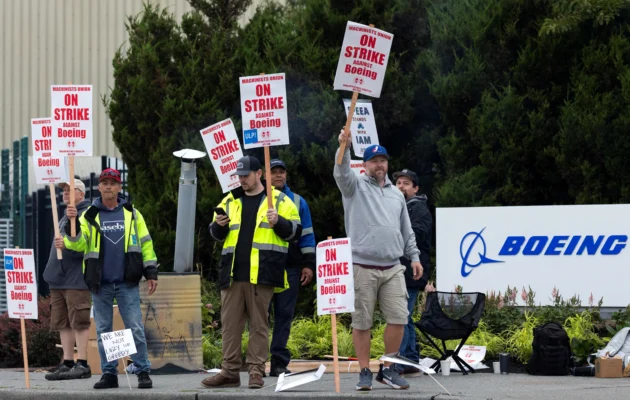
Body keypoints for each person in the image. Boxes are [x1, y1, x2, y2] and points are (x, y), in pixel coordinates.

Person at [201, 156, 301, 389]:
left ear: (259, 174)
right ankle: (229, 372)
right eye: (239, 175)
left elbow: (295, 233)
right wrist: (218, 225)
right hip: (233, 274)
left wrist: (279, 222)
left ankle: (256, 371)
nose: (242, 179)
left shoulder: (279, 200)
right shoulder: (229, 200)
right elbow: (215, 234)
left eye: (246, 175)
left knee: (259, 325)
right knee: (230, 325)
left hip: (263, 273)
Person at [334, 133, 423, 391]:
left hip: (393, 266)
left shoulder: (397, 194)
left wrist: (414, 257)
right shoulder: (353, 186)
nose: (379, 165)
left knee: (399, 318)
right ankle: (364, 371)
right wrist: (344, 147)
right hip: (362, 265)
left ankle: (387, 369)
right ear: (364, 165)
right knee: (362, 321)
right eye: (373, 160)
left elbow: (406, 230)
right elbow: (340, 170)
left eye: (382, 160)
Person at [59, 168, 158, 390]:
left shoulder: (132, 213)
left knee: (135, 328)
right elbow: (77, 245)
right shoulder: (90, 215)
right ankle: (109, 373)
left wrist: (151, 272)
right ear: (100, 187)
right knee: (104, 331)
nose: (108, 186)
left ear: (119, 187)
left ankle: (143, 371)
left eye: (113, 183)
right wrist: (71, 227)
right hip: (100, 283)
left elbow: (146, 243)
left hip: (127, 282)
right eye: (104, 183)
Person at [268, 158, 316, 376]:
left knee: (284, 315)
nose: (278, 175)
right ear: (264, 175)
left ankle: (278, 363)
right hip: (263, 267)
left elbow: (307, 234)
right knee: (259, 317)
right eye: (274, 172)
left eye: (281, 172)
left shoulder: (298, 201)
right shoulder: (258, 198)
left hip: (290, 267)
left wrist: (308, 264)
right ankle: (257, 363)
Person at [43, 179, 92, 380]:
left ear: (81, 194)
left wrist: (69, 240)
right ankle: (68, 361)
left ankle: (83, 363)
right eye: (63, 190)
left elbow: (86, 242)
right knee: (62, 322)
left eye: (70, 190)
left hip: (76, 279)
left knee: (79, 321)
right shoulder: (64, 216)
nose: (65, 193)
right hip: (59, 279)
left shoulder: (86, 215)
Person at [392, 169, 433, 374]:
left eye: (406, 183)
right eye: (398, 183)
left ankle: (404, 361)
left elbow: (415, 235)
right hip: (401, 270)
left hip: (412, 272)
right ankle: (410, 358)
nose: (401, 187)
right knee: (404, 316)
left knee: (402, 316)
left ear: (415, 188)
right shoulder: (398, 208)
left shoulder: (418, 209)